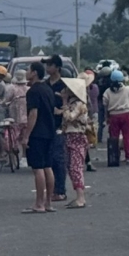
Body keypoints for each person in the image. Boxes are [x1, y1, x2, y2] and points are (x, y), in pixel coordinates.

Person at [23, 62, 58, 213]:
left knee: (38, 169)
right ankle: (48, 202)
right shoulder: (48, 89)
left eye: (28, 70)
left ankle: (39, 203)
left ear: (34, 73)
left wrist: (26, 136)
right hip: (50, 132)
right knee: (48, 167)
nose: (26, 72)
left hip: (37, 133)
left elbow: (33, 114)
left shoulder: (33, 91)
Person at [60, 78, 92, 209]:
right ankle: (79, 196)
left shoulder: (78, 104)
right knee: (72, 167)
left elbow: (69, 117)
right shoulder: (76, 103)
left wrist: (64, 102)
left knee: (76, 167)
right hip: (71, 135)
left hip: (77, 136)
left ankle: (80, 197)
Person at [43, 56, 69, 199]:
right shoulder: (45, 84)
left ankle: (60, 190)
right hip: (46, 125)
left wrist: (62, 110)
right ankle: (52, 189)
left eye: (50, 65)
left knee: (58, 158)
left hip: (61, 125)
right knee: (49, 159)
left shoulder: (65, 84)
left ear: (57, 67)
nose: (47, 68)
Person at [102, 70, 129, 165]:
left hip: (113, 115)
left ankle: (115, 156)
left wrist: (106, 117)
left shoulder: (107, 92)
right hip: (125, 114)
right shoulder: (128, 89)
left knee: (114, 137)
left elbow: (105, 105)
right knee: (127, 135)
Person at [2, 69, 29, 166]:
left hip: (14, 117)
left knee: (13, 138)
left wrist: (3, 103)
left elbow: (6, 101)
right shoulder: (28, 89)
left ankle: (12, 160)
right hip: (26, 117)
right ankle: (24, 158)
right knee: (25, 138)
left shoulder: (11, 88)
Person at [83, 69, 100, 172]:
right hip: (84, 119)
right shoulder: (92, 89)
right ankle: (87, 162)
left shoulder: (86, 92)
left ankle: (87, 162)